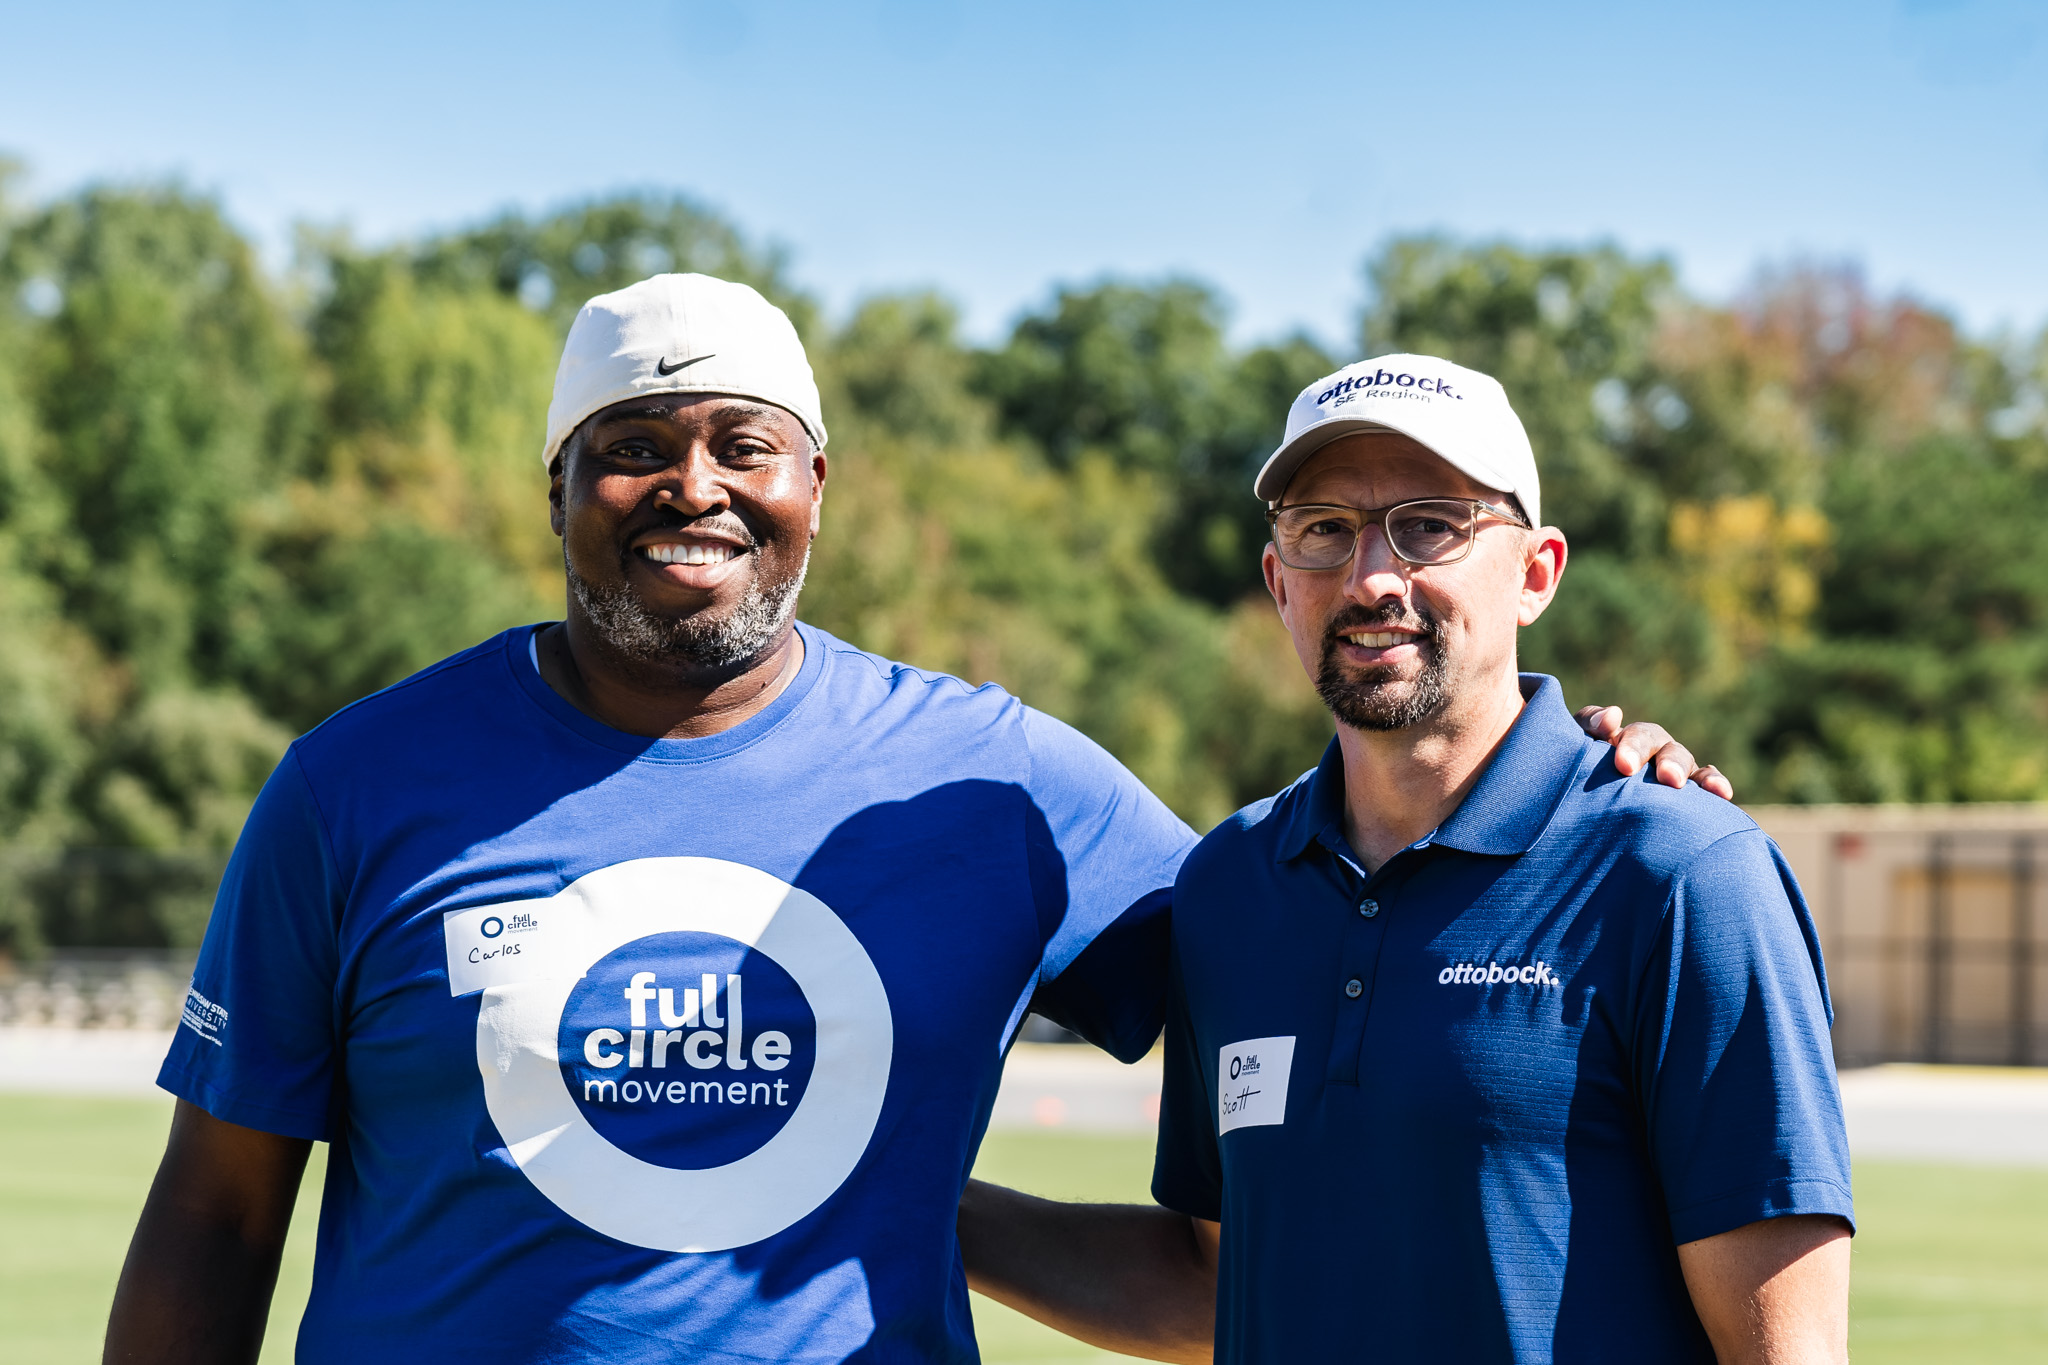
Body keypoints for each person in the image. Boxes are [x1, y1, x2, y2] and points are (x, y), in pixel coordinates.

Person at [104, 283, 1718, 1365]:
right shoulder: (356, 785)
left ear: (815, 487)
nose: (693, 487)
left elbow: (1334, 915)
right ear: (554, 489)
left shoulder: (997, 782)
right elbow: (215, 1205)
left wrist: (1566, 780)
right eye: (630, 452)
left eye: (745, 445)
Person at [958, 355, 1854, 1364]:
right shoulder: (1229, 887)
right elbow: (1219, 1285)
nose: (1371, 576)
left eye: (1429, 524)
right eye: (1322, 530)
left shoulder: (1683, 873)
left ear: (1534, 573)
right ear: (1276, 582)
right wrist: (908, 1200)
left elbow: (1786, 1350)